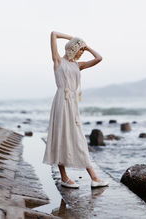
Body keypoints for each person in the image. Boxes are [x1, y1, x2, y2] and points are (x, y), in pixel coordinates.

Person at [42, 31, 109, 189]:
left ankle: (94, 178)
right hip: (60, 102)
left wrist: (87, 47)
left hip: (72, 103)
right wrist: (71, 38)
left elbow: (99, 58)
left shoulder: (78, 65)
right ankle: (65, 178)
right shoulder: (58, 61)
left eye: (82, 50)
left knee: (79, 138)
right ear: (73, 48)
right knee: (60, 137)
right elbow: (53, 34)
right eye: (80, 50)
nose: (81, 53)